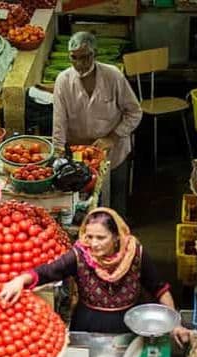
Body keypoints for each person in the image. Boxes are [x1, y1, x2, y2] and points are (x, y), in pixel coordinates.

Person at [0, 208, 192, 345]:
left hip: (128, 327)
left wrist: (174, 323)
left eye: (101, 238)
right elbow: (49, 271)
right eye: (89, 237)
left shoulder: (136, 253)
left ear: (117, 237)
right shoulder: (79, 255)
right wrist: (20, 280)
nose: (93, 244)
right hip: (87, 325)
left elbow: (159, 288)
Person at [53, 32, 142, 218]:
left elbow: (134, 112)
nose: (79, 64)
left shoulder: (113, 76)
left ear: (95, 54)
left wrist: (113, 137)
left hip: (114, 152)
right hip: (80, 155)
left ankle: (119, 237)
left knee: (115, 205)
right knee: (85, 205)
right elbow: (59, 121)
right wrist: (59, 152)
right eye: (74, 58)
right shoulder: (63, 81)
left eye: (84, 58)